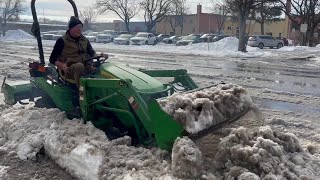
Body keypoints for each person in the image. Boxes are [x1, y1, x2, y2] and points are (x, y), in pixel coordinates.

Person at [49, 16, 108, 88]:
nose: (79, 30)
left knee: (103, 66)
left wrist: (100, 55)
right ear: (71, 28)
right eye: (77, 27)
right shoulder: (62, 41)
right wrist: (61, 65)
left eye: (81, 27)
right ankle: (82, 93)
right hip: (69, 69)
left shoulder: (84, 40)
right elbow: (52, 59)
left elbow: (91, 52)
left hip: (85, 65)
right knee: (79, 66)